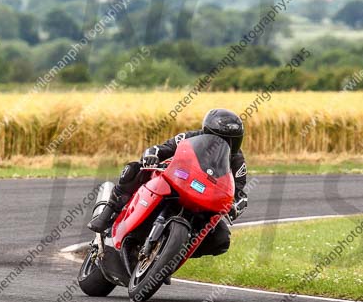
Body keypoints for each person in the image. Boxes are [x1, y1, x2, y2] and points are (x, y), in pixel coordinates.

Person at [88, 108, 248, 257]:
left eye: (230, 141)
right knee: (133, 169)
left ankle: (171, 256)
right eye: (219, 138)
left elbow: (239, 193)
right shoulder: (191, 137)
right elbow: (161, 148)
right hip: (177, 180)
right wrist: (152, 155)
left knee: (221, 239)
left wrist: (236, 206)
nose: (223, 143)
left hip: (203, 200)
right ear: (206, 131)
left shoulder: (237, 161)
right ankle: (108, 211)